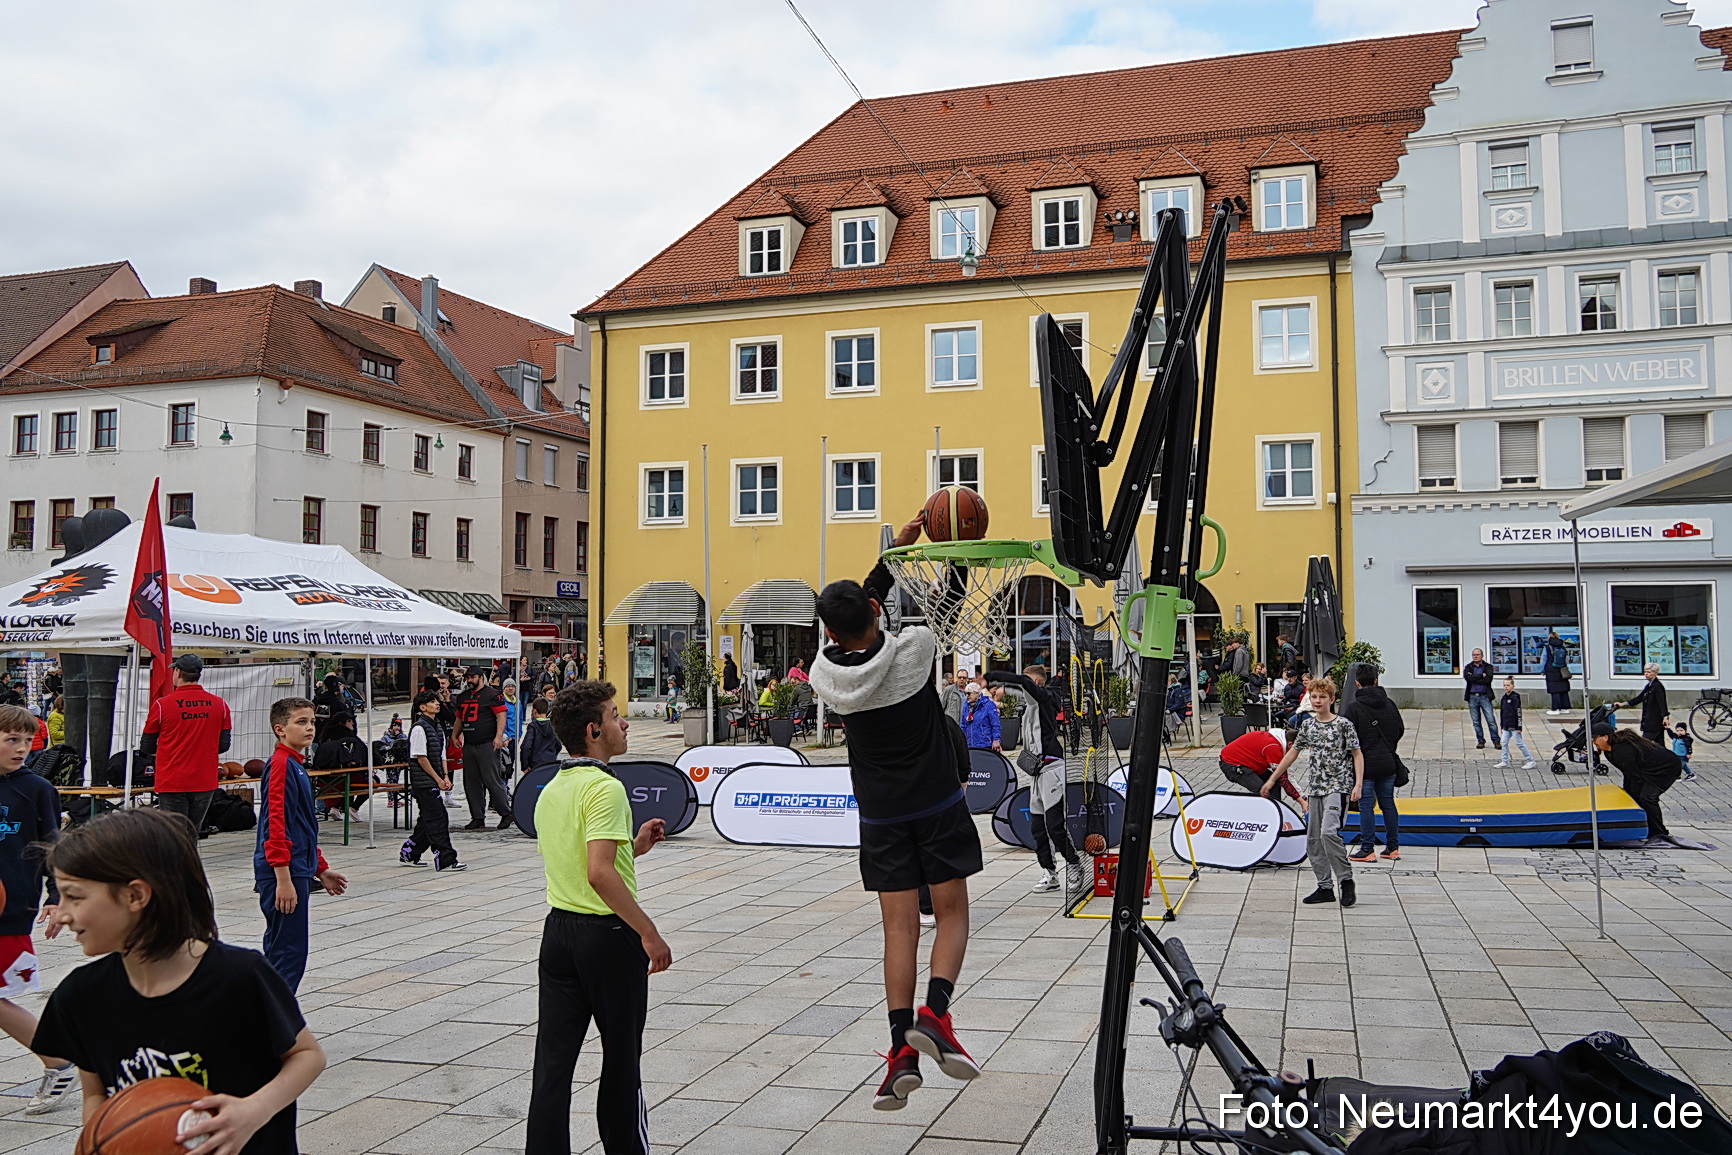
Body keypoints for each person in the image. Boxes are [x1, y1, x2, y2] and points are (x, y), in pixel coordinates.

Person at [811, 513, 984, 1111]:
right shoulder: (914, 652)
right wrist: (948, 550)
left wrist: (884, 565)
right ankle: (936, 1013)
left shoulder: (826, 675)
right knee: (953, 914)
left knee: (898, 930)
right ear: (875, 613)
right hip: (936, 802)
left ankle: (898, 1053)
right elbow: (947, 607)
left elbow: (863, 608)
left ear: (829, 631)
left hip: (880, 816)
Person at [34, 809, 327, 1154]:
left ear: (135, 896)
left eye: (74, 896)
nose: (62, 913)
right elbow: (96, 1093)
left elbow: (307, 1055)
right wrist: (102, 1140)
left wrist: (254, 1110)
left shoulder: (239, 976)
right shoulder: (81, 995)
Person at [526, 681, 670, 1155]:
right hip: (608, 937)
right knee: (622, 1061)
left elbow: (577, 863)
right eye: (614, 715)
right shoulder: (605, 788)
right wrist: (648, 932)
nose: (623, 723)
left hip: (559, 933)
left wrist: (634, 846)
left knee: (553, 1065)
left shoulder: (552, 787)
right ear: (593, 731)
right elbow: (599, 873)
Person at [0, 704, 75, 1114]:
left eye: (27, 741)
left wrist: (56, 895)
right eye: (12, 739)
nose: (21, 748)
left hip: (11, 906)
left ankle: (58, 1062)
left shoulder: (37, 789)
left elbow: (53, 846)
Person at [256, 697, 348, 992]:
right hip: (284, 871)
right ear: (280, 729)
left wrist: (319, 868)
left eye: (312, 722)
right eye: (301, 722)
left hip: (295, 868)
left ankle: (267, 1012)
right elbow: (276, 823)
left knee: (284, 949)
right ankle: (274, 1014)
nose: (310, 728)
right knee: (288, 952)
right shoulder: (281, 765)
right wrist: (283, 879)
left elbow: (303, 826)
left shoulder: (294, 764)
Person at [1263, 676, 1363, 907]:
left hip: (1338, 786)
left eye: (1322, 697)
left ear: (1331, 699)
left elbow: (1357, 754)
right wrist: (1272, 779)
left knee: (1329, 833)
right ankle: (1324, 887)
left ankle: (1345, 879)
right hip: (1316, 788)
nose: (1317, 701)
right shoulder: (1308, 725)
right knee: (1314, 839)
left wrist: (1358, 784)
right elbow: (1293, 753)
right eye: (1314, 697)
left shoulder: (1343, 725)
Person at [987, 665, 1082, 894]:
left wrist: (993, 677)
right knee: (1038, 827)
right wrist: (1003, 690)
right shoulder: (1031, 705)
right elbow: (1021, 687)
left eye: (1028, 682)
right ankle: (1050, 873)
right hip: (1037, 772)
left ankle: (1074, 864)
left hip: (1052, 769)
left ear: (1036, 683)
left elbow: (1023, 683)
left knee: (1055, 825)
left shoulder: (1043, 697)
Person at [142, 654, 232, 837]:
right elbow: (223, 745)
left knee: (173, 836)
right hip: (205, 781)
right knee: (192, 833)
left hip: (172, 780)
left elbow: (146, 746)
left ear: (178, 672)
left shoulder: (162, 705)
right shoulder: (220, 705)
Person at [1341, 666, 1403, 863]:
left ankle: (1367, 848)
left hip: (1365, 765)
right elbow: (1399, 729)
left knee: (1366, 806)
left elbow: (1346, 738)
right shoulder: (1390, 703)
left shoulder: (1354, 708)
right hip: (1387, 763)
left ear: (1357, 683)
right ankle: (1392, 848)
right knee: (1388, 804)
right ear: (1376, 680)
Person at [401, 690, 462, 871]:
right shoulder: (419, 728)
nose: (437, 704)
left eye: (437, 701)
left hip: (434, 779)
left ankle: (410, 851)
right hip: (423, 782)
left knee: (428, 819)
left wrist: (445, 776)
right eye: (432, 701)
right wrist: (437, 779)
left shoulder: (437, 727)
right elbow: (421, 758)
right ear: (422, 707)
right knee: (437, 819)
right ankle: (445, 857)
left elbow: (442, 755)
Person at [1592, 723, 1682, 842]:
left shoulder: (1622, 751)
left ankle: (1659, 832)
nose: (1593, 742)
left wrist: (1632, 797)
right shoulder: (1609, 752)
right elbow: (1628, 773)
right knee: (1636, 797)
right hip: (1648, 769)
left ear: (1605, 737)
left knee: (1646, 797)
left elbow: (1635, 777)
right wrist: (1627, 794)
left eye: (1595, 738)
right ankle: (1644, 828)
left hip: (1667, 767)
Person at [455, 666, 512, 832]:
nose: (469, 680)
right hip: (469, 744)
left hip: (487, 743)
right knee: (471, 783)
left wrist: (499, 737)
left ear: (481, 677)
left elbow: (501, 715)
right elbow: (459, 718)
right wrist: (454, 735)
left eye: (473, 677)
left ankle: (506, 813)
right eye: (468, 677)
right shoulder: (462, 697)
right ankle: (477, 817)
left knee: (492, 780)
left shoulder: (492, 694)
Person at [1218, 728, 1302, 804]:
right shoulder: (1273, 747)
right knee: (1263, 790)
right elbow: (1283, 778)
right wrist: (1302, 802)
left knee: (1274, 783)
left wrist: (1303, 797)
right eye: (1297, 750)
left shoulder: (1277, 739)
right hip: (1231, 764)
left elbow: (1286, 773)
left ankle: (1275, 810)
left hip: (1247, 762)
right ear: (1290, 744)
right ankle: (1263, 812)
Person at [1619, 664, 1671, 745]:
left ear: (1655, 673)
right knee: (1659, 745)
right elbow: (1639, 698)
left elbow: (1662, 702)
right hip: (1649, 721)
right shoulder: (1649, 686)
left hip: (1654, 721)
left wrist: (1665, 716)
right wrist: (1623, 704)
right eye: (1645, 672)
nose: (1646, 674)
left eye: (1649, 672)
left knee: (1644, 744)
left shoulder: (1657, 686)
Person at [1462, 647, 1500, 752]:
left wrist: (1474, 678)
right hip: (1472, 697)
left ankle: (1496, 741)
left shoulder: (1488, 667)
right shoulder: (1469, 667)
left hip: (1485, 697)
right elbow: (1467, 678)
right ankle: (1481, 740)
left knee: (1491, 720)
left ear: (1482, 656)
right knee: (1476, 722)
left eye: (1477, 655)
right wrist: (1480, 676)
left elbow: (1488, 680)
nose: (1475, 656)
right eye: (1474, 655)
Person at [1494, 677, 1537, 769]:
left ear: (1513, 686)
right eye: (1504, 685)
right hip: (1506, 725)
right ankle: (1504, 760)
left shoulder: (1515, 697)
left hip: (1514, 725)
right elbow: (1502, 713)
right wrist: (1502, 725)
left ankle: (1530, 760)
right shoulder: (1504, 698)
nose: (1506, 687)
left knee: (1519, 743)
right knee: (1503, 742)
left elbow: (1518, 712)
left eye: (1508, 685)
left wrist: (1519, 727)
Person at [521, 696, 564, 771]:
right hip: (550, 762)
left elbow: (526, 746)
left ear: (534, 711)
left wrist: (525, 765)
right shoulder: (553, 726)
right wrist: (552, 754)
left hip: (535, 763)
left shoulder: (533, 726)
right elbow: (558, 745)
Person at [959, 683, 1000, 751]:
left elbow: (995, 724)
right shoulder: (965, 706)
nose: (967, 696)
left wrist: (996, 739)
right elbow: (963, 725)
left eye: (969, 693)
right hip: (969, 744)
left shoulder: (988, 705)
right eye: (965, 693)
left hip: (985, 743)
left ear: (977, 693)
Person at [1542, 630, 1572, 714]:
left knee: (1554, 690)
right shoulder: (1562, 647)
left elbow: (1544, 659)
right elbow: (1566, 660)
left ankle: (1555, 709)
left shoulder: (1548, 647)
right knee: (1563, 689)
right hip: (1562, 670)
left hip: (1551, 670)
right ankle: (1565, 708)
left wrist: (1543, 670)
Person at [501, 678, 523, 783]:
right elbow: (500, 720)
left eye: (513, 686)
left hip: (515, 737)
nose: (511, 688)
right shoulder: (501, 701)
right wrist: (506, 735)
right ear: (504, 688)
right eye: (508, 686)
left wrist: (520, 733)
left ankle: (506, 785)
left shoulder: (517, 701)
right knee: (504, 764)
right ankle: (503, 785)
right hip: (506, 738)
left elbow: (520, 718)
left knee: (511, 763)